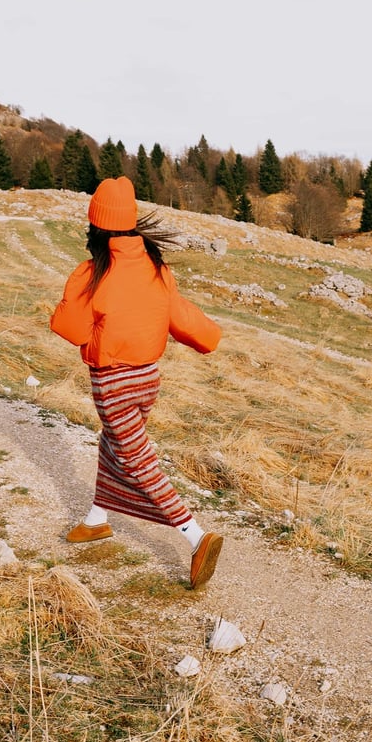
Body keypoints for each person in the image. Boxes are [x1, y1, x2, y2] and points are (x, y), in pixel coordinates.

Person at [50, 175, 223, 590]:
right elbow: (180, 315)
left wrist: (75, 309)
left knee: (137, 460)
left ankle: (195, 536)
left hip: (113, 384)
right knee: (114, 445)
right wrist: (211, 336)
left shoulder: (93, 273)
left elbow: (71, 328)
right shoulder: (154, 266)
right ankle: (97, 518)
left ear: (96, 226)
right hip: (148, 380)